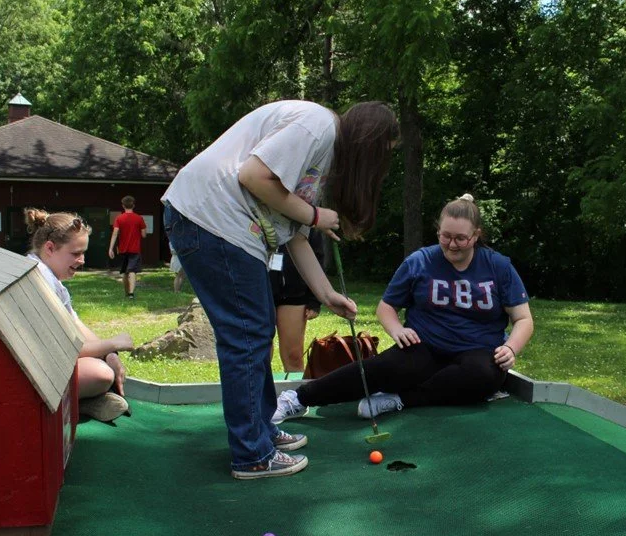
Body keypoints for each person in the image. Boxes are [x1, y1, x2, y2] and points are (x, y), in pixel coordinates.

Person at [161, 100, 399, 480]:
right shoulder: (317, 125)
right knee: (246, 335)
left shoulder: (323, 157)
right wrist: (316, 215)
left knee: (255, 333)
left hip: (221, 224)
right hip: (212, 219)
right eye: (382, 153)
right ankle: (252, 455)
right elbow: (253, 176)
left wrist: (326, 294)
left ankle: (262, 432)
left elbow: (295, 236)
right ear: (368, 143)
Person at [274, 195, 534, 425]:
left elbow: (523, 319)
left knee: (485, 377)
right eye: (445, 236)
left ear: (476, 236)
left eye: (461, 238)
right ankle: (298, 398)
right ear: (438, 231)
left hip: (477, 351)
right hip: (426, 346)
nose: (452, 244)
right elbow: (386, 307)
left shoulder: (498, 266)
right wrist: (397, 329)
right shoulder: (420, 261)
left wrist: (510, 348)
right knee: (381, 368)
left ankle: (400, 399)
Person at [24, 208, 134, 423]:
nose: (82, 260)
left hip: (45, 364)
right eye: (75, 254)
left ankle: (82, 401)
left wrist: (109, 354)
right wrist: (113, 344)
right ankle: (79, 402)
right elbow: (65, 349)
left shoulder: (48, 278)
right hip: (30, 374)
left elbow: (75, 323)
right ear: (50, 248)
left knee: (103, 367)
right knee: (101, 374)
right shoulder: (39, 283)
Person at [270, 230, 329, 374]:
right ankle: (259, 388)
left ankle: (296, 387)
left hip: (295, 293)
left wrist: (314, 300)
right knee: (260, 353)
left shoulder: (307, 221)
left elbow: (317, 259)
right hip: (259, 290)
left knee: (294, 356)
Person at [108, 196, 147, 299]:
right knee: (132, 271)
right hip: (135, 249)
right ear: (133, 205)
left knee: (125, 272)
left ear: (123, 206)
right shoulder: (139, 218)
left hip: (122, 249)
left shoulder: (119, 218)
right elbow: (144, 235)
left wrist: (111, 248)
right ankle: (131, 294)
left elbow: (115, 233)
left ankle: (126, 293)